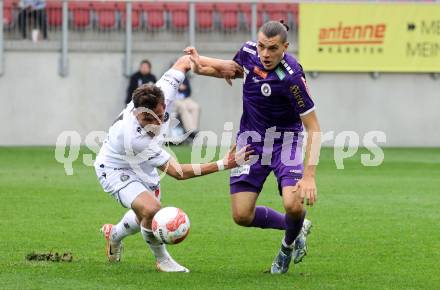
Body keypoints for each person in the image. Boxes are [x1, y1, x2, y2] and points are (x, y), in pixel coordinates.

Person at [184, 20, 321, 274]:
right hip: (251, 141)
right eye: (261, 47)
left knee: (293, 204)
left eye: (272, 48)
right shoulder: (249, 53)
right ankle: (297, 226)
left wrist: (309, 176)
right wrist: (199, 63)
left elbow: (314, 127)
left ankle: (286, 247)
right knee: (242, 215)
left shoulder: (292, 77)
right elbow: (232, 69)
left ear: (285, 47)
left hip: (286, 141)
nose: (265, 54)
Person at [95, 55, 251, 272]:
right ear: (136, 113)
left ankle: (114, 234)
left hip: (145, 167)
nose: (156, 124)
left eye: (159, 115)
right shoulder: (134, 138)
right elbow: (179, 173)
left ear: (164, 103)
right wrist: (226, 163)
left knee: (144, 214)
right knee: (151, 209)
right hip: (115, 168)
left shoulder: (165, 89)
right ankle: (163, 261)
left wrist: (219, 66)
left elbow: (185, 61)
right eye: (147, 119)